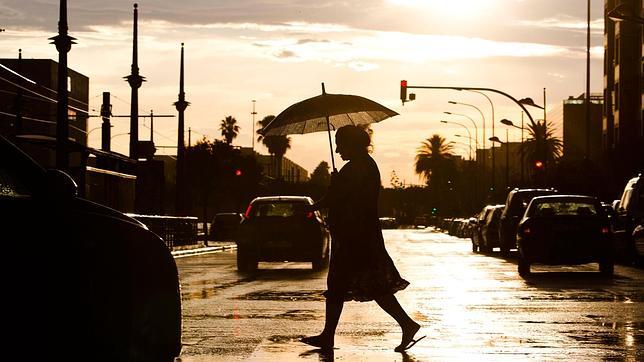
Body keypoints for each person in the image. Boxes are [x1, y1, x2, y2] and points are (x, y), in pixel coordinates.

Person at [301, 125, 423, 352]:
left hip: (356, 238)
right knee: (345, 286)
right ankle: (328, 335)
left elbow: (340, 199)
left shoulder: (359, 168)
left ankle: (406, 324)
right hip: (355, 236)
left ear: (352, 144)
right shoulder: (361, 166)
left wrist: (324, 197)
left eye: (340, 144)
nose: (337, 150)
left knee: (368, 285)